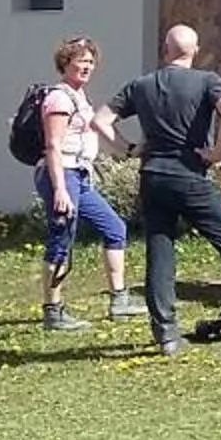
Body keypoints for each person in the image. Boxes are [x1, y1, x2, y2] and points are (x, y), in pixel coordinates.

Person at [101, 25, 221, 355]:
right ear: (195, 50)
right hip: (190, 175)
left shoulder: (141, 85)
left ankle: (166, 334)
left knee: (160, 249)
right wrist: (218, 153)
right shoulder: (207, 81)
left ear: (165, 50)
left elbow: (100, 120)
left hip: (153, 176)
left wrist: (128, 149)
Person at [33, 36, 145, 333]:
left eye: (91, 62)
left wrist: (130, 150)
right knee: (61, 240)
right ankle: (53, 311)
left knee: (114, 228)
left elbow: (96, 130)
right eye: (80, 61)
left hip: (80, 177)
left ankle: (119, 299)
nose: (87, 67)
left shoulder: (79, 97)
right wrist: (59, 189)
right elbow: (53, 146)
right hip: (63, 175)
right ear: (65, 64)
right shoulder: (58, 98)